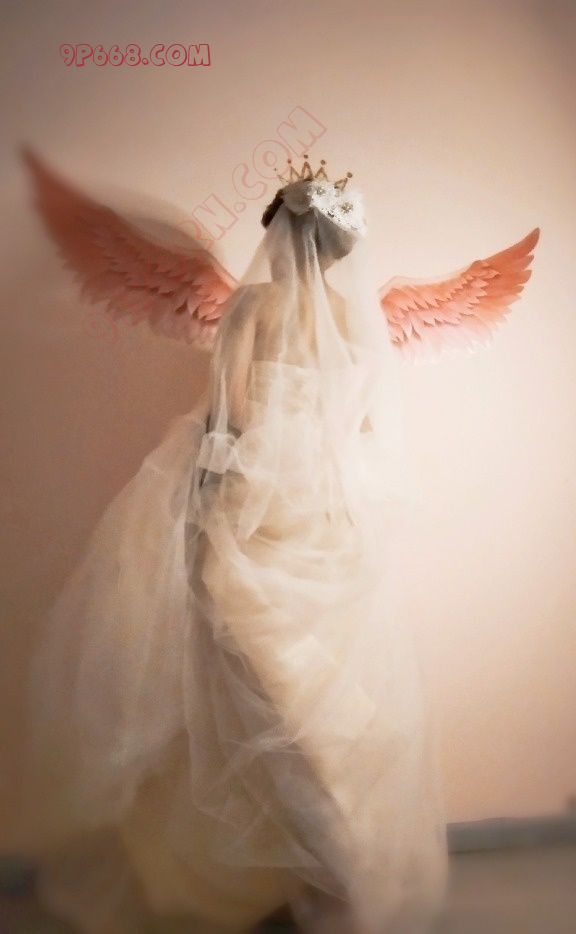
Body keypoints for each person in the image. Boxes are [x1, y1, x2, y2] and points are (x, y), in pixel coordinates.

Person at [19, 155, 451, 933]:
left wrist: (203, 508)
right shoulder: (358, 322)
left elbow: (230, 419)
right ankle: (321, 874)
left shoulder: (254, 305)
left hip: (256, 501)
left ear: (280, 234)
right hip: (325, 513)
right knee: (312, 693)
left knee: (255, 692)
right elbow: (362, 430)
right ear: (338, 248)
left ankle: (320, 872)